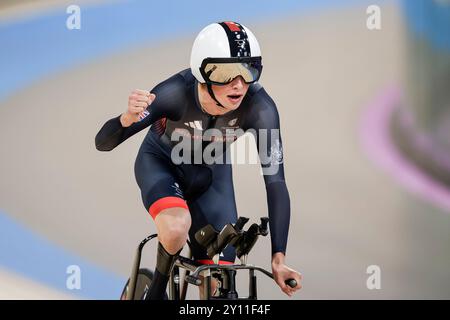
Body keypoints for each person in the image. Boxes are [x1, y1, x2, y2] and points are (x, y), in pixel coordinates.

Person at [95, 21, 302, 299]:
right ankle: (155, 292)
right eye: (227, 72)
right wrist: (126, 119)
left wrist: (278, 258)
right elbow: (103, 143)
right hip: (162, 166)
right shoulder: (174, 93)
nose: (238, 84)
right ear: (203, 72)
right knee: (176, 227)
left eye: (249, 69)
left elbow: (276, 182)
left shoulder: (261, 108)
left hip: (212, 178)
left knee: (220, 275)